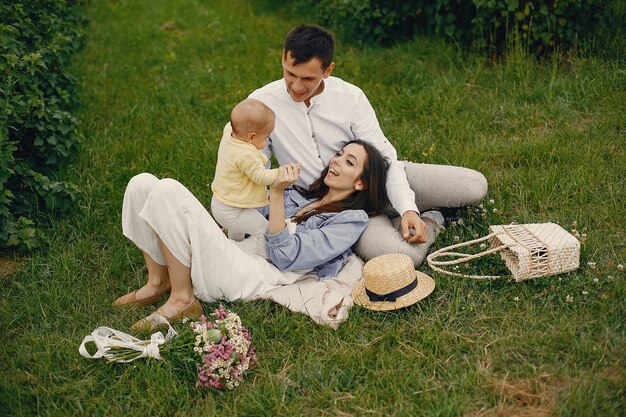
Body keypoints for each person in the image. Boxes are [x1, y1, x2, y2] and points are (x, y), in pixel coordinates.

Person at [248, 24, 488, 265]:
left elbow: (385, 156)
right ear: (283, 58)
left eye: (308, 78)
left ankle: (404, 214)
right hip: (337, 209)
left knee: (474, 186)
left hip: (378, 178)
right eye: (291, 74)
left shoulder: (350, 97)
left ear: (328, 70)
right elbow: (253, 168)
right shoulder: (261, 104)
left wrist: (408, 208)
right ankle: (434, 219)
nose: (297, 87)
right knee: (402, 256)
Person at [113, 140, 390, 329]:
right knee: (142, 184)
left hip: (249, 275)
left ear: (361, 182)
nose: (337, 161)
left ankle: (183, 299)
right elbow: (243, 216)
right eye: (339, 154)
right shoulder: (301, 196)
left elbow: (285, 257)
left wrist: (277, 195)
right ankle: (158, 282)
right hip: (235, 251)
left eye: (349, 161)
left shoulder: (350, 220)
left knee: (168, 190)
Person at [210, 98, 279, 256]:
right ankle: (264, 260)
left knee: (237, 233)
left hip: (222, 202)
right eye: (266, 137)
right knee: (263, 229)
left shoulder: (230, 133)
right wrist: (281, 172)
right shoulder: (246, 155)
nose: (267, 140)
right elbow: (261, 177)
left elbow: (234, 122)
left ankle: (234, 251)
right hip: (233, 211)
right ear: (251, 137)